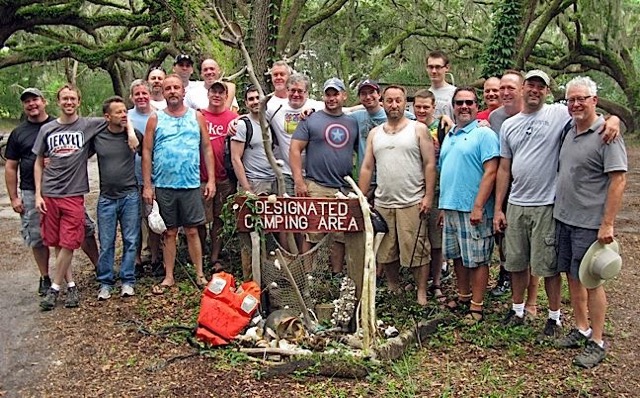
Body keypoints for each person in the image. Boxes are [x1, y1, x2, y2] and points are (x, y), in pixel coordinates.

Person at [494, 70, 620, 337]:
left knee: (548, 266)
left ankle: (554, 317)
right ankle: (517, 310)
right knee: (516, 262)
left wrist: (615, 119)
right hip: (518, 202)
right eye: (531, 85)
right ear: (522, 89)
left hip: (548, 205)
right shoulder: (509, 124)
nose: (535, 90)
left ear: (548, 92)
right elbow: (504, 168)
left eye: (541, 86)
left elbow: (590, 114)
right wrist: (498, 208)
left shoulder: (558, 114)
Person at [33, 84, 132, 310]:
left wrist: (131, 134)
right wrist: (38, 194)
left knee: (69, 241)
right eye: (64, 99)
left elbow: (121, 118)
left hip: (74, 193)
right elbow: (38, 163)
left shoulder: (90, 124)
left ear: (79, 101)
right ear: (58, 102)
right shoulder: (47, 129)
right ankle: (71, 285)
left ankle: (54, 288)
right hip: (49, 193)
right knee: (58, 242)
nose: (68, 103)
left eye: (72, 99)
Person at [554, 76, 627, 368]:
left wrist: (607, 223)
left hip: (590, 223)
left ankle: (597, 340)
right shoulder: (568, 129)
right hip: (564, 217)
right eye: (571, 99)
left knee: (592, 282)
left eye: (581, 98)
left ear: (594, 101)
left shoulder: (607, 135)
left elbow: (618, 180)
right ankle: (581, 328)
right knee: (573, 277)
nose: (575, 104)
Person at [5, 88, 96, 297]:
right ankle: (46, 278)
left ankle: (99, 268)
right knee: (39, 237)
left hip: (67, 191)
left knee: (83, 230)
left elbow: (84, 149)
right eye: (27, 101)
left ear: (45, 102)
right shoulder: (19, 133)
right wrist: (14, 197)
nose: (31, 104)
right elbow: (11, 166)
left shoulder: (63, 125)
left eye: (35, 99)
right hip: (32, 190)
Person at [358, 85, 436, 305]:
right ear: (382, 103)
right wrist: (361, 198)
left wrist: (428, 196)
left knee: (417, 249)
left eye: (398, 100)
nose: (394, 105)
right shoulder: (375, 134)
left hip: (412, 200)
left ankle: (421, 291)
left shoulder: (418, 129)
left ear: (405, 103)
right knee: (386, 250)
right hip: (383, 201)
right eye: (389, 100)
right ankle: (394, 286)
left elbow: (430, 164)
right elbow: (366, 167)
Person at [142, 74, 215, 292]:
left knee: (193, 230)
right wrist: (148, 185)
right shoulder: (155, 119)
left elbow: (207, 148)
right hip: (164, 184)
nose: (173, 91)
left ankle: (200, 274)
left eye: (176, 87)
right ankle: (169, 276)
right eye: (168, 88)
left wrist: (210, 179)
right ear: (163, 93)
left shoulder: (197, 117)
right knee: (169, 232)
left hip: (190, 183)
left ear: (184, 92)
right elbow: (146, 152)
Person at [439, 87, 500, 324]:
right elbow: (447, 171)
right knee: (458, 257)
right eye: (459, 103)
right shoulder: (450, 135)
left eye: (469, 103)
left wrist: (478, 206)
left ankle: (477, 306)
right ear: (453, 107)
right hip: (451, 207)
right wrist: (444, 207)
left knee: (477, 259)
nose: (464, 107)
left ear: (477, 106)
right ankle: (463, 296)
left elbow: (491, 171)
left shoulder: (484, 135)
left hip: (473, 209)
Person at [290, 77, 358, 273]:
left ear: (344, 96)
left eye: (335, 94)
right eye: (328, 94)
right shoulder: (311, 119)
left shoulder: (352, 122)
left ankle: (335, 275)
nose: (331, 98)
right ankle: (308, 276)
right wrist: (299, 181)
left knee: (339, 236)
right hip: (316, 185)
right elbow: (295, 149)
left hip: (342, 188)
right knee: (311, 233)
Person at [93, 96, 143, 300]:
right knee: (106, 241)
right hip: (107, 197)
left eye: (125, 111)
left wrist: (130, 131)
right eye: (118, 112)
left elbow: (147, 153)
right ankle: (105, 281)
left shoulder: (133, 135)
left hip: (130, 195)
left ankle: (127, 280)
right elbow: (79, 157)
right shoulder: (97, 136)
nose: (123, 115)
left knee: (131, 240)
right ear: (107, 116)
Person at [487, 70, 525, 297]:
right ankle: (505, 275)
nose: (505, 92)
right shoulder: (495, 117)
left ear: (521, 89)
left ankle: (526, 291)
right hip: (504, 184)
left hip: (531, 187)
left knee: (523, 239)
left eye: (511, 88)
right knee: (502, 234)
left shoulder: (536, 112)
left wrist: (613, 119)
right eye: (502, 88)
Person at [413, 89, 447, 302]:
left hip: (436, 191)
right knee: (416, 239)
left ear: (434, 107)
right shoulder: (408, 126)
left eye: (426, 107)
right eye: (418, 106)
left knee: (436, 243)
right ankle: (418, 282)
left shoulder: (443, 128)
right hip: (412, 190)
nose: (422, 110)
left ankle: (436, 283)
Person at [199, 81, 238, 267]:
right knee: (199, 220)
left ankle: (215, 257)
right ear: (208, 94)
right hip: (200, 177)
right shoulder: (199, 116)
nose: (216, 95)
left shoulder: (233, 118)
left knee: (219, 219)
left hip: (224, 177)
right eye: (213, 91)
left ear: (225, 96)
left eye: (220, 92)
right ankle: (200, 253)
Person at [267, 73, 324, 195]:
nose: (296, 94)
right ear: (287, 91)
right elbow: (254, 115)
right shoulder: (275, 109)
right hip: (287, 173)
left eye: (300, 91)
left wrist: (373, 105)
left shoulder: (317, 107)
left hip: (312, 176)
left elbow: (344, 111)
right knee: (288, 213)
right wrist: (235, 121)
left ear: (307, 93)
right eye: (292, 90)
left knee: (311, 212)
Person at [128, 79, 162, 274]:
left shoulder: (157, 116)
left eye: (144, 93)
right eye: (137, 94)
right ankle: (137, 259)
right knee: (134, 221)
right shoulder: (126, 117)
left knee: (153, 218)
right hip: (131, 177)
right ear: (132, 97)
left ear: (150, 95)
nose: (141, 97)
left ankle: (155, 257)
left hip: (155, 176)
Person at [230, 85, 276, 195]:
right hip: (253, 182)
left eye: (258, 98)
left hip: (274, 181)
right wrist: (246, 188)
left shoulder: (271, 121)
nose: (255, 101)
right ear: (246, 103)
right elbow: (235, 158)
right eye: (251, 99)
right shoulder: (242, 125)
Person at [427, 50, 456, 119]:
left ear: (447, 68)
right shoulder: (426, 94)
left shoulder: (455, 93)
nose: (434, 71)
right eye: (431, 67)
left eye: (438, 67)